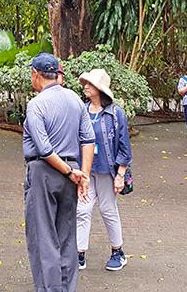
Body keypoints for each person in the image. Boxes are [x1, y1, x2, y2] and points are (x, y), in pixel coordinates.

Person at [23, 52, 94, 292]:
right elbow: (88, 140)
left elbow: (44, 149)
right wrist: (82, 175)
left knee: (43, 238)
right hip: (71, 173)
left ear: (36, 74)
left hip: (44, 173)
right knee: (66, 236)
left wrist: (70, 172)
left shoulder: (36, 104)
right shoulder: (75, 100)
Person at [75, 68, 132, 272]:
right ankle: (79, 253)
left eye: (90, 84)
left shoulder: (115, 114)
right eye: (85, 83)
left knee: (108, 210)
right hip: (86, 171)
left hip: (107, 171)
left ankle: (118, 252)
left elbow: (124, 146)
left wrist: (120, 175)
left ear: (100, 89)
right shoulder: (81, 110)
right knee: (82, 210)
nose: (85, 87)